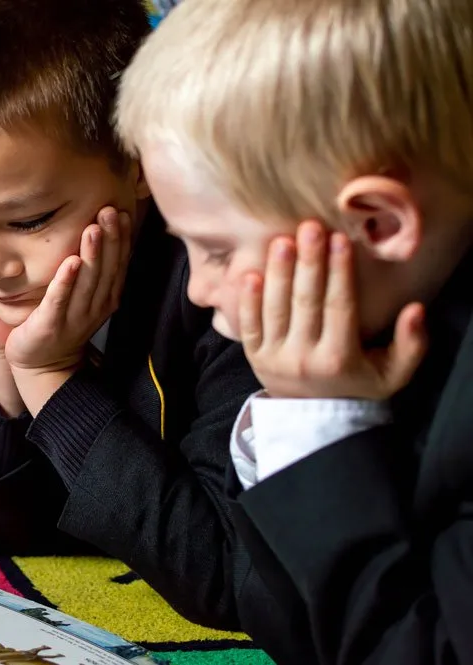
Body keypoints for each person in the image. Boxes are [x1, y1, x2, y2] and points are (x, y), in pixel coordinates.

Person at [0, 0, 263, 629]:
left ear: (141, 160)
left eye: (30, 221)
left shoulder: (224, 288)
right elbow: (11, 537)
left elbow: (223, 578)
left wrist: (52, 377)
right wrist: (6, 357)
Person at [115, 0, 473, 662]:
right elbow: (279, 625)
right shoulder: (375, 318)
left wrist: (318, 429)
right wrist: (305, 410)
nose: (195, 289)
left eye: (217, 249)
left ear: (379, 224)